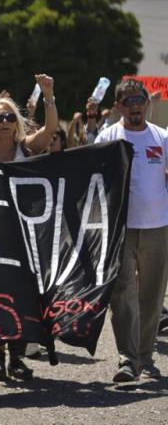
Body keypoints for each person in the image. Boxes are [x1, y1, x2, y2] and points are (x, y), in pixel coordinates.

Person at [0, 73, 58, 382]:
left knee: (22, 295)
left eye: (9, 117)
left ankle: (16, 358)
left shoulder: (27, 148)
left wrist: (48, 96)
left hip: (24, 234)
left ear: (16, 123)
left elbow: (49, 130)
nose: (4, 122)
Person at [95, 79, 168, 382]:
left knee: (152, 296)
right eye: (129, 101)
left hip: (157, 228)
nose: (136, 105)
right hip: (120, 231)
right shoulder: (107, 138)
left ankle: (146, 357)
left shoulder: (162, 138)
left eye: (140, 99)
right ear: (119, 107)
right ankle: (128, 358)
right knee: (122, 293)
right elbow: (93, 181)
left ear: (147, 103)